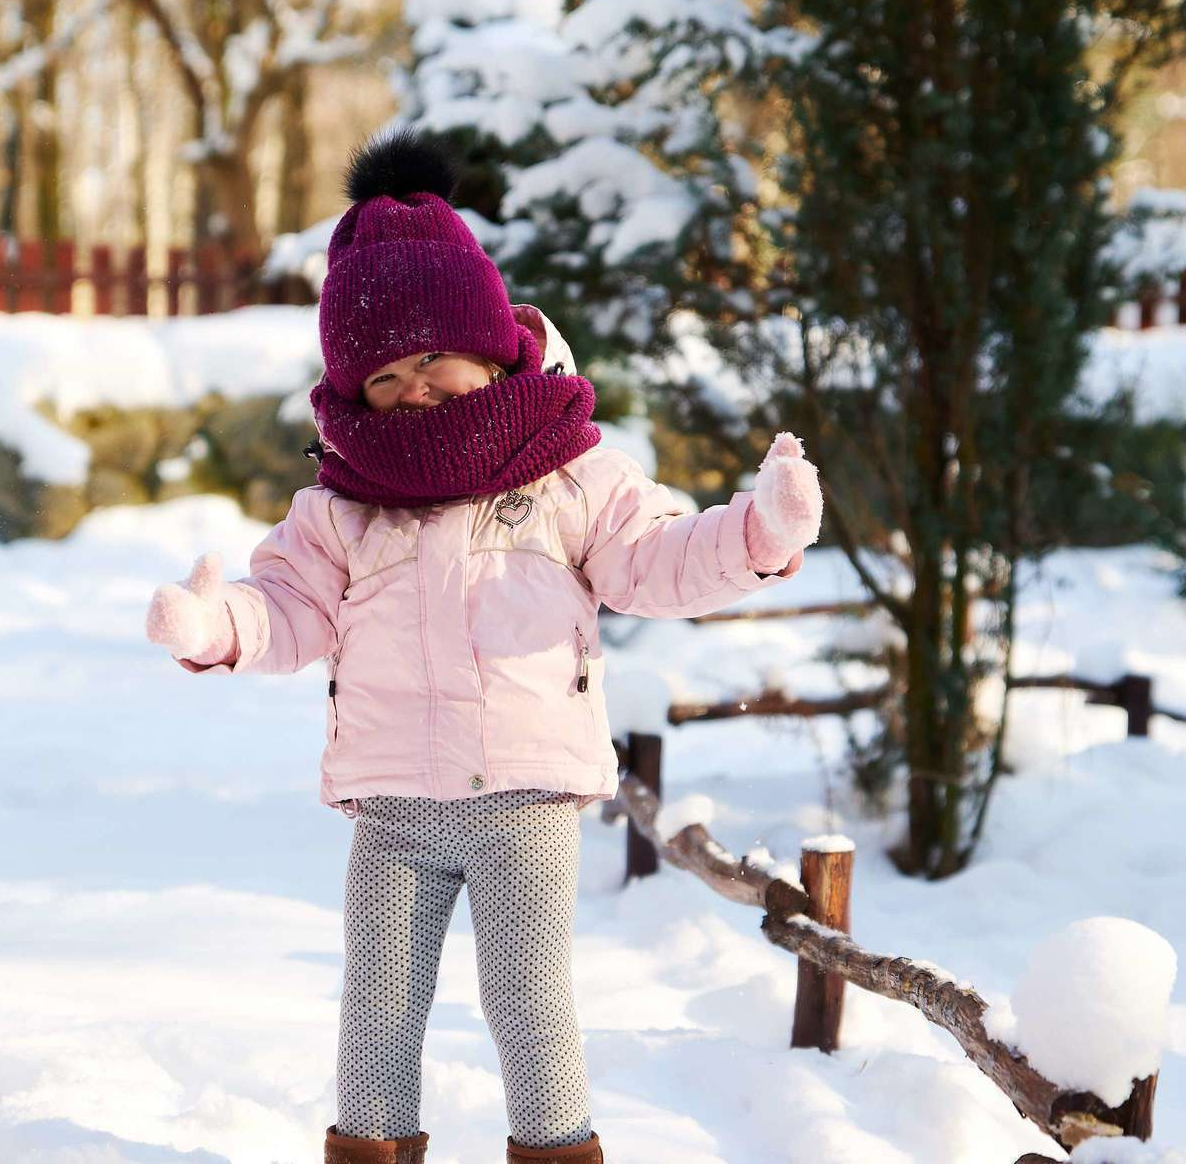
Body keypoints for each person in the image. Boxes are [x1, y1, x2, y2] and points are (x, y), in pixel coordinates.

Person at [144, 130, 823, 1164]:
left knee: (526, 1002)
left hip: (522, 798)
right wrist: (216, 627)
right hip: (393, 805)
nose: (412, 389)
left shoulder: (564, 475)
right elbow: (286, 607)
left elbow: (653, 559)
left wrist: (755, 536)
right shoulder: (341, 510)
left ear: (493, 344)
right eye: (382, 377)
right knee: (373, 1015)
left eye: (432, 361)